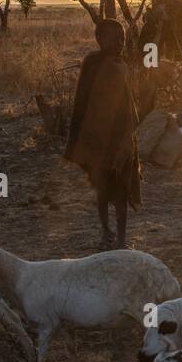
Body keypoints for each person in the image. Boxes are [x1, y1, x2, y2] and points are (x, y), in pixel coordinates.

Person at [65, 18, 142, 249]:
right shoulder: (92, 65)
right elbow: (83, 104)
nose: (120, 42)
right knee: (101, 188)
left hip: (119, 138)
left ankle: (121, 238)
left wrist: (126, 136)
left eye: (123, 39)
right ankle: (105, 232)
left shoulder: (121, 67)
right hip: (97, 140)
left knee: (120, 192)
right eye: (114, 38)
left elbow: (128, 105)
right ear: (99, 40)